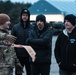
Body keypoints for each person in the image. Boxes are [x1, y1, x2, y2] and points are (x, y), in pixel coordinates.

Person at [11, 8, 33, 75]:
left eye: (26, 15)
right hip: (19, 56)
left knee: (30, 72)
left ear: (28, 17)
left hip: (29, 55)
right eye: (23, 15)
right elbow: (12, 42)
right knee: (18, 73)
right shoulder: (15, 27)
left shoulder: (33, 28)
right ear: (21, 16)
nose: (25, 17)